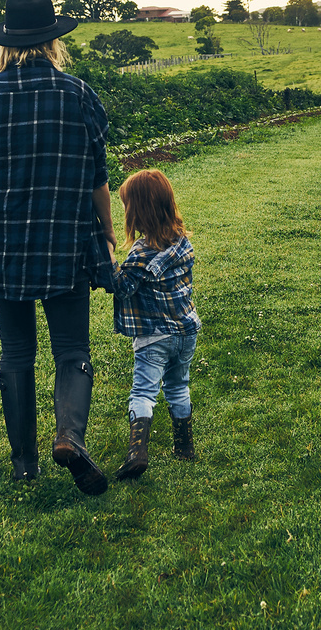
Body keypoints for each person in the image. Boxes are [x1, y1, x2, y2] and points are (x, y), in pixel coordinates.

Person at [0, 0, 120, 492]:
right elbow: (98, 176)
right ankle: (70, 438)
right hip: (66, 241)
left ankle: (23, 464)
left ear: (6, 45)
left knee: (16, 352)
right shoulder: (79, 94)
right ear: (53, 42)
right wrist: (107, 232)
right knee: (72, 347)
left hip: (6, 246)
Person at [109, 167, 199, 480]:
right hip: (186, 332)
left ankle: (137, 452)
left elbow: (121, 286)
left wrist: (109, 260)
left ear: (137, 211)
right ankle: (184, 447)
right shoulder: (183, 242)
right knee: (178, 386)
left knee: (144, 392)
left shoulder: (141, 254)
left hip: (154, 337)